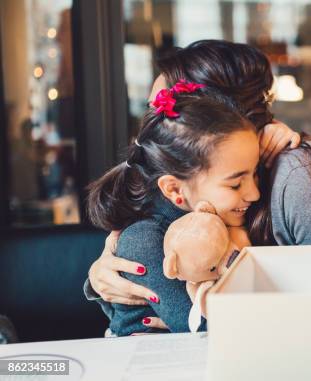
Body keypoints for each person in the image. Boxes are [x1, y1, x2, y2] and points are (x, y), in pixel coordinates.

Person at [85, 40, 311, 332]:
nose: (157, 125)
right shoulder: (209, 184)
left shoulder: (297, 173)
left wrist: (204, 323)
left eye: (169, 111)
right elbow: (149, 238)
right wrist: (103, 277)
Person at [86, 87, 260, 335]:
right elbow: (204, 327)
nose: (255, 193)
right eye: (235, 183)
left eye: (256, 174)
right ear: (174, 189)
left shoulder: (224, 214)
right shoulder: (142, 240)